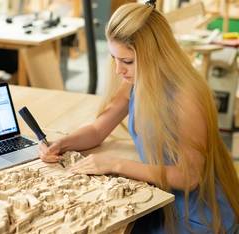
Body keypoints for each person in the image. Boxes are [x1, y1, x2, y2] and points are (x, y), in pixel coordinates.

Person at [39, 1, 239, 233]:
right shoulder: (136, 81)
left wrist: (116, 164)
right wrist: (61, 143)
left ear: (156, 55)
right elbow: (97, 130)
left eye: (127, 61)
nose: (118, 70)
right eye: (114, 58)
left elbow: (189, 177)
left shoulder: (185, 97)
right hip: (160, 197)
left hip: (196, 215)